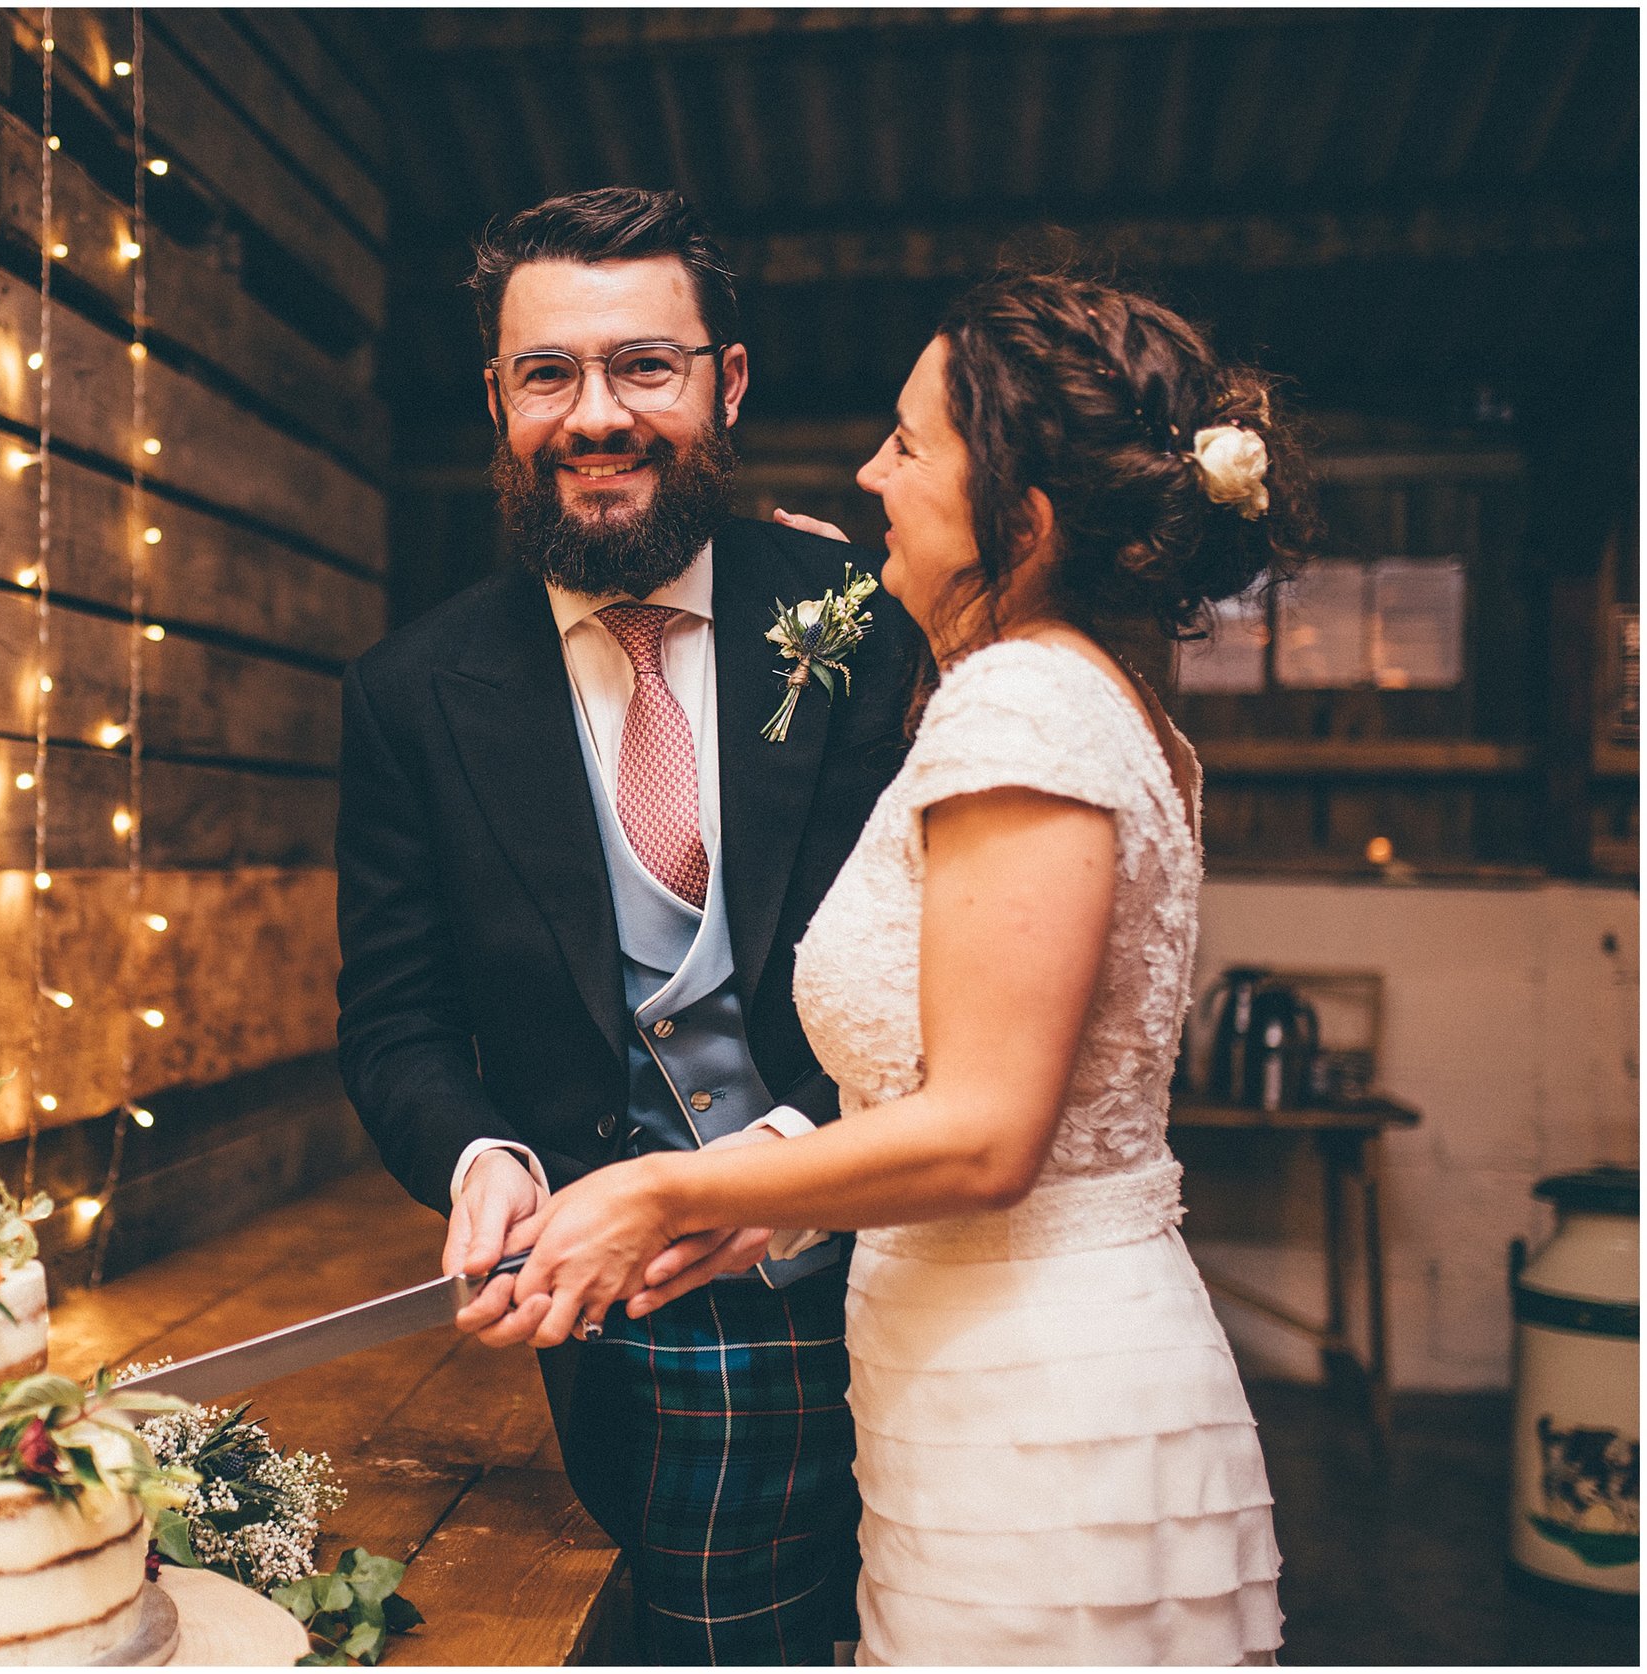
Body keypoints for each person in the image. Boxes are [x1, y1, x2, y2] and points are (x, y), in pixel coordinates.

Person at [497, 272, 1310, 1665]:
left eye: (912, 442)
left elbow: (991, 1135)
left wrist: (671, 1182)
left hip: (1038, 1417)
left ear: (1025, 519)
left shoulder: (1025, 704)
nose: (871, 467)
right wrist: (785, 1209)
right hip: (994, 1374)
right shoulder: (1098, 694)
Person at [334, 187, 923, 1663]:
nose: (596, 414)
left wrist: (789, 1168)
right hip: (627, 1313)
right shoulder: (411, 692)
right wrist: (482, 1153)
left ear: (725, 381)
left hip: (902, 1247)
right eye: (550, 375)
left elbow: (941, 971)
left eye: (643, 366)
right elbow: (398, 1019)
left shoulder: (863, 614)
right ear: (499, 400)